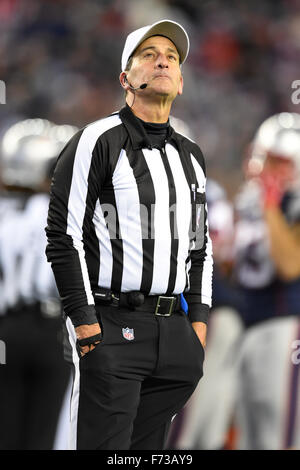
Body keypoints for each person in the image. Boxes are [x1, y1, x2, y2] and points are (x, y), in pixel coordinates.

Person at [45, 19, 213, 450]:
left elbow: (200, 246)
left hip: (174, 332)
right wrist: (84, 323)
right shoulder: (96, 140)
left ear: (180, 82)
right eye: (149, 55)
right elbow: (64, 236)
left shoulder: (191, 156)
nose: (162, 61)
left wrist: (198, 324)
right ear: (126, 77)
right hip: (112, 323)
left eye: (171, 58)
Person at [0, 118, 76, 449]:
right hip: (51, 332)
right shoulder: (65, 216)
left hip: (5, 328)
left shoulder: (6, 212)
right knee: (42, 435)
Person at [232, 112, 300, 449]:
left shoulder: (289, 205)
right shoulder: (248, 202)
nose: (262, 167)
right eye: (260, 156)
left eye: (275, 161)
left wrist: (272, 207)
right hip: (246, 326)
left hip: (286, 328)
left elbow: (291, 265)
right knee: (248, 435)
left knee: (280, 435)